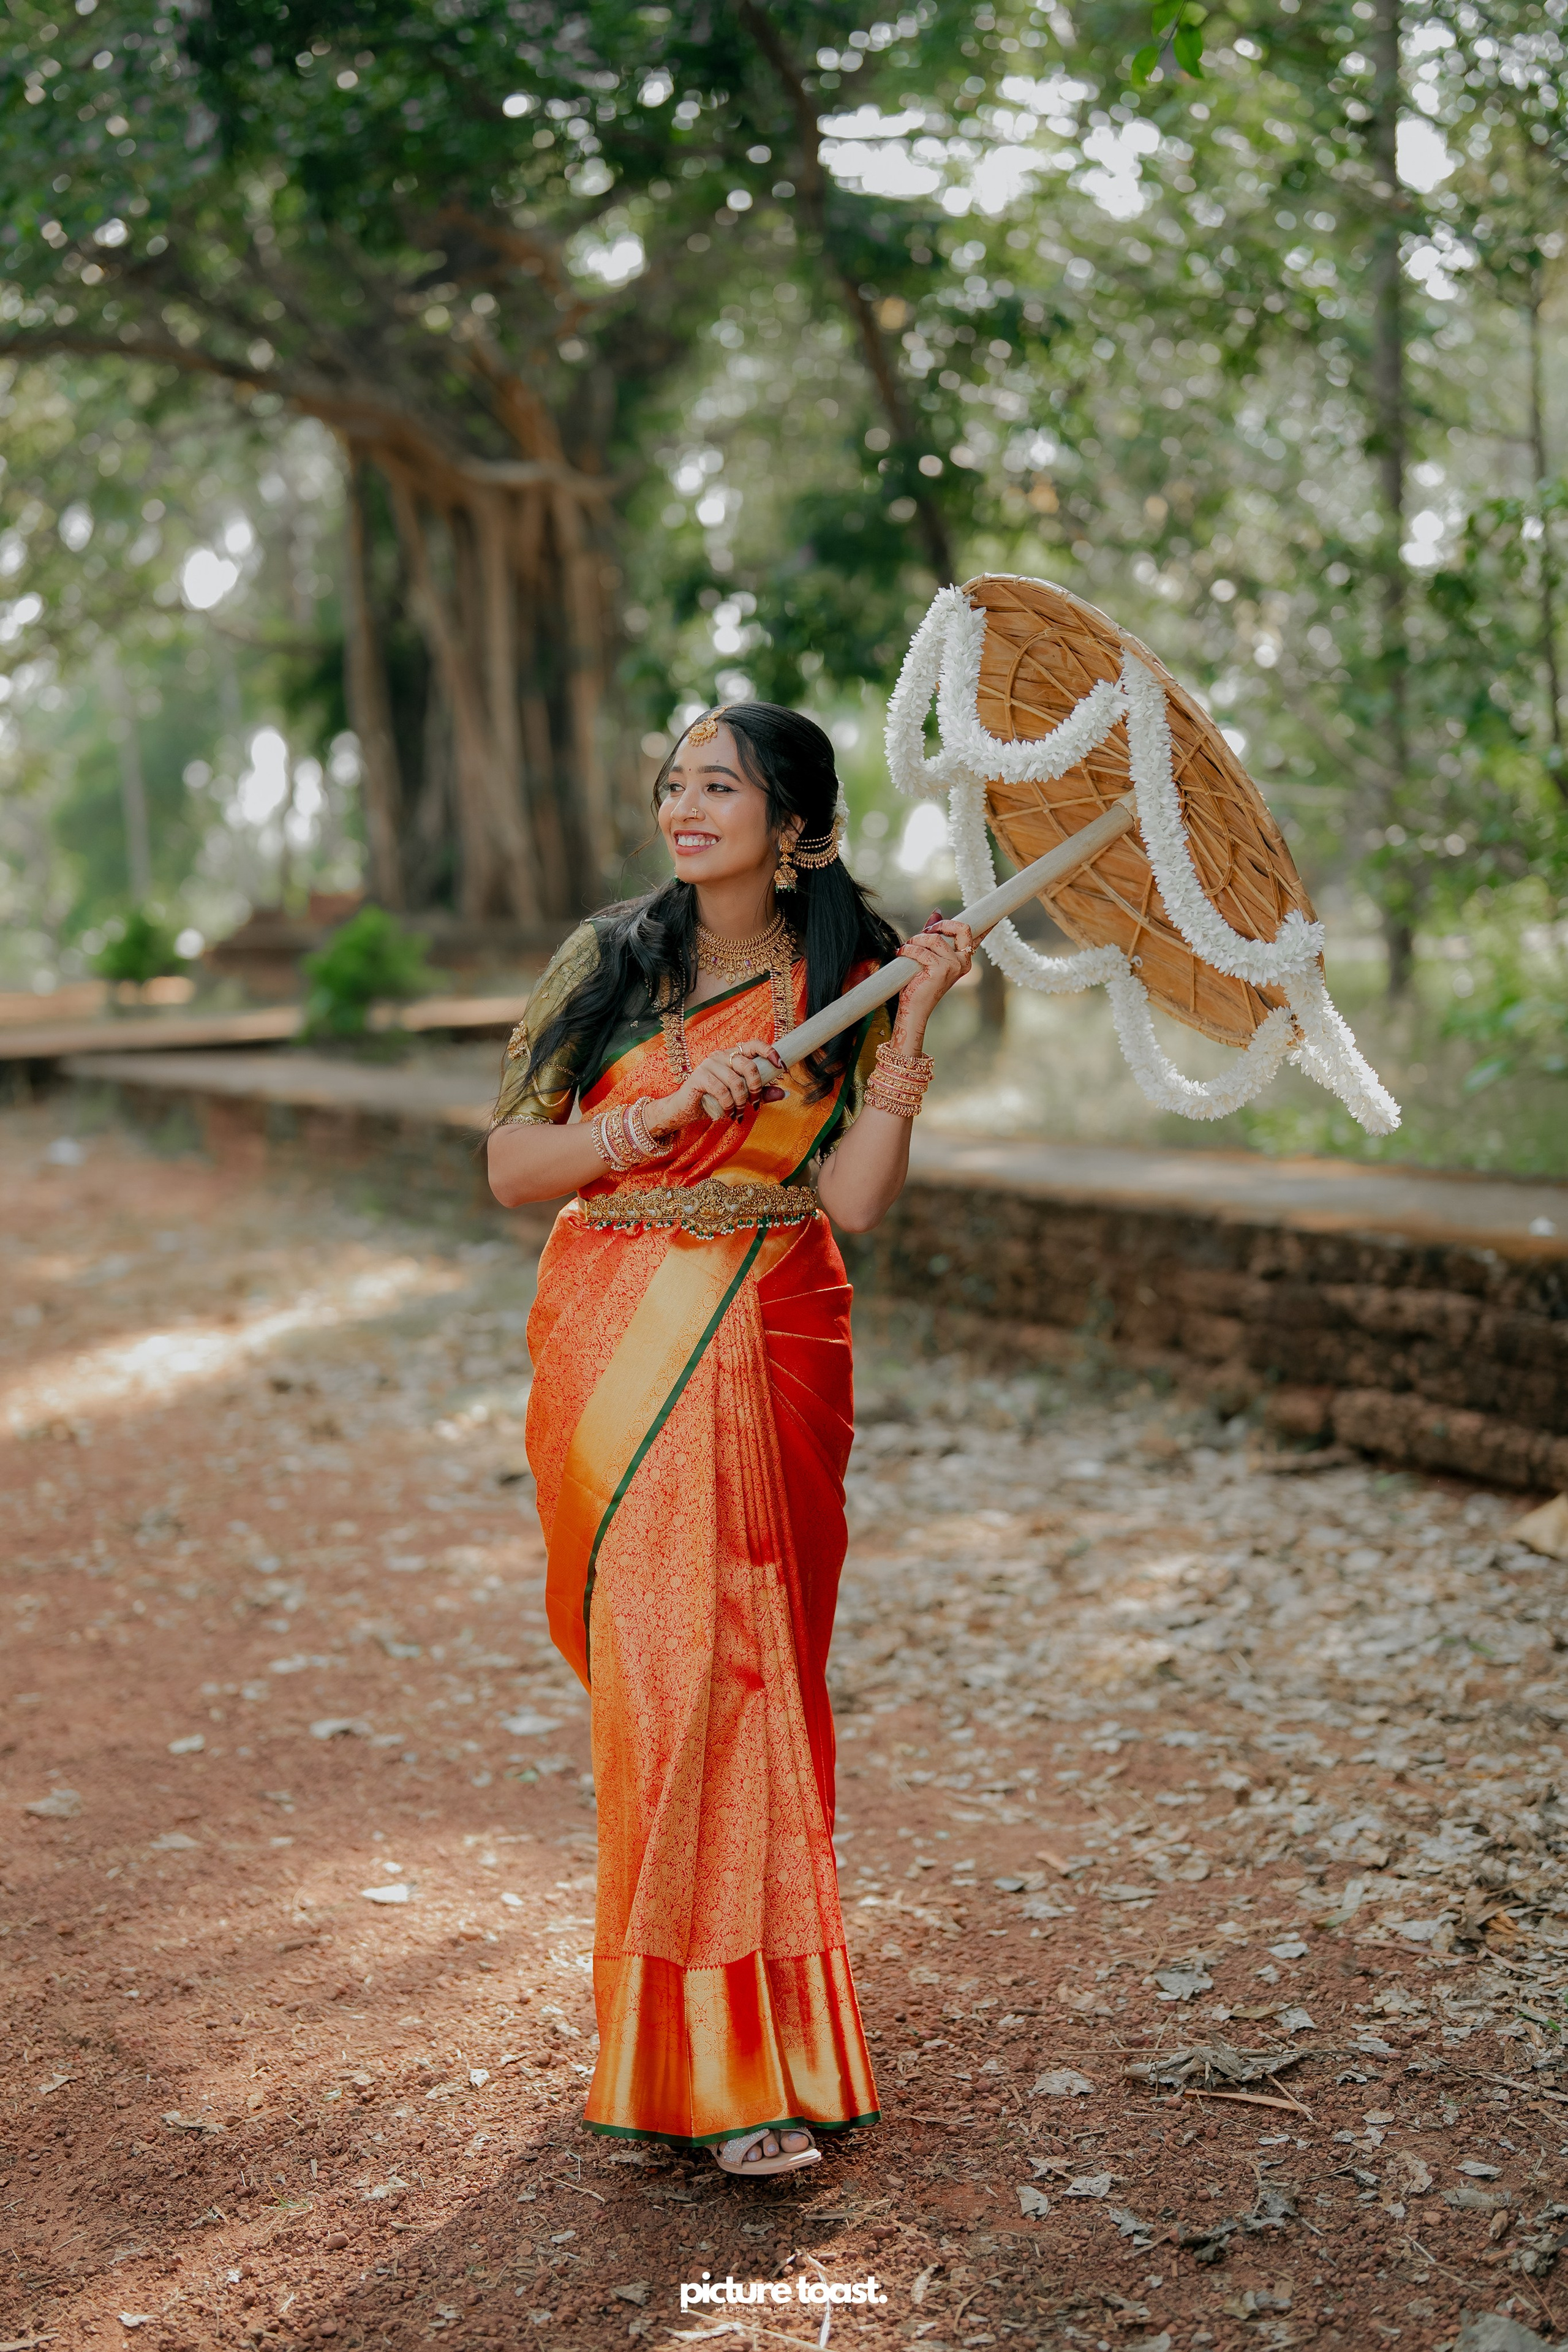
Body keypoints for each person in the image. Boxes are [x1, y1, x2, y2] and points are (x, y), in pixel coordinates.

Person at [488, 702, 972, 2177]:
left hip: (773, 1335)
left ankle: (764, 2056)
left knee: (757, 1677)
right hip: (620, 1337)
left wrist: (909, 1029)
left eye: (722, 786)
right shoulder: (611, 960)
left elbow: (860, 1204)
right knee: (667, 1680)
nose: (686, 806)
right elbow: (513, 1167)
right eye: (674, 782)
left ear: (797, 822)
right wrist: (645, 1126)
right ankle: (683, 2053)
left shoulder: (854, 968)